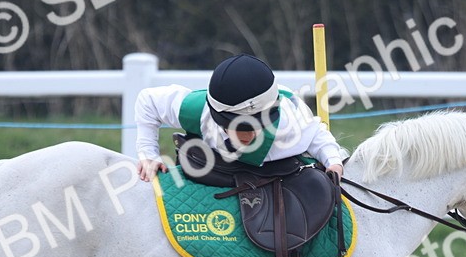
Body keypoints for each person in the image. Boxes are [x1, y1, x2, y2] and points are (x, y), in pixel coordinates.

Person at [134, 53, 345, 182]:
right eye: (241, 126)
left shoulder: (290, 118)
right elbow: (147, 100)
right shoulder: (196, 110)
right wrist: (148, 154)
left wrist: (333, 161)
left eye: (258, 123)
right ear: (219, 117)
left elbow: (317, 133)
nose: (250, 134)